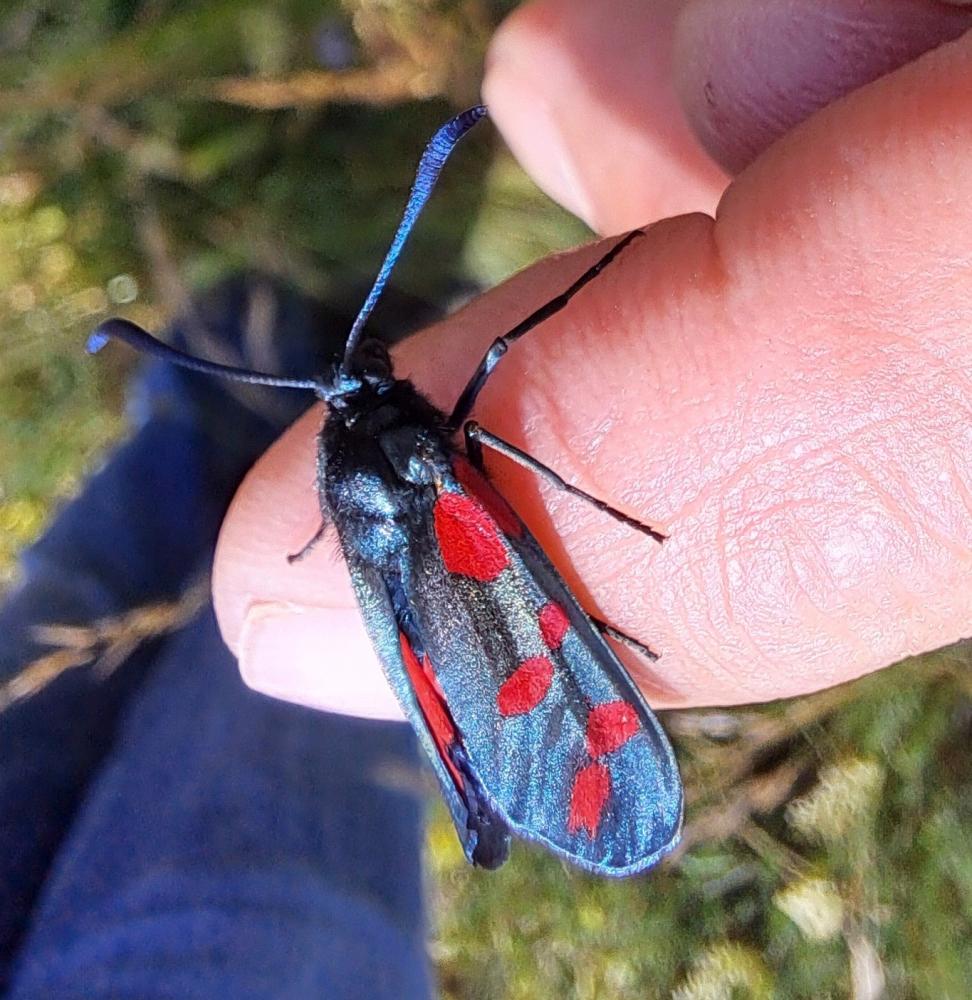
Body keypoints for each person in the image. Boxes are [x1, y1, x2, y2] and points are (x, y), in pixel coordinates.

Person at [2, 1, 970, 996]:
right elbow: (495, 414)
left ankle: (220, 397)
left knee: (78, 608)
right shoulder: (416, 458)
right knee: (124, 594)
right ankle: (228, 392)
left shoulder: (363, 469)